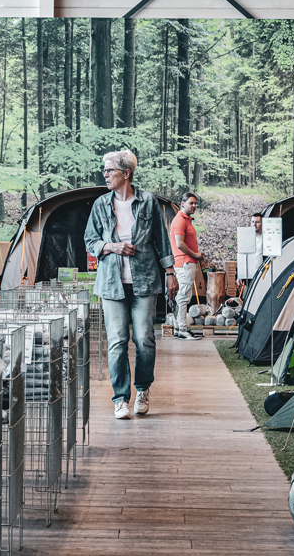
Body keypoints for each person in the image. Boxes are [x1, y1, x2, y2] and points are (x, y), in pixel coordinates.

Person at [84, 150, 176, 420]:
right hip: (112, 285)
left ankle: (143, 389)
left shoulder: (148, 202)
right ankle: (121, 399)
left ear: (126, 173)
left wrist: (170, 272)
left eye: (110, 170)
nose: (105, 174)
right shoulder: (101, 204)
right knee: (117, 342)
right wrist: (111, 246)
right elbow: (90, 241)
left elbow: (161, 239)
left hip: (145, 281)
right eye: (105, 170)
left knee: (145, 340)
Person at [170, 191, 204, 341]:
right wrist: (195, 255)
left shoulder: (186, 220)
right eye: (191, 203)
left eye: (195, 203)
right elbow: (179, 244)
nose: (194, 205)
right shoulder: (180, 220)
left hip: (187, 263)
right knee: (183, 297)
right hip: (184, 262)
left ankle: (179, 328)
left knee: (184, 296)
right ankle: (182, 329)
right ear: (182, 203)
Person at [238, 212, 264, 294]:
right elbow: (241, 256)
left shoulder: (266, 239)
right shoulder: (246, 239)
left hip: (262, 274)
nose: (254, 224)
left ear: (262, 223)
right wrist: (239, 275)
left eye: (257, 222)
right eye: (252, 222)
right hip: (248, 276)